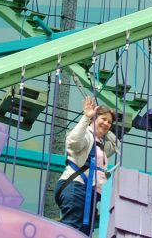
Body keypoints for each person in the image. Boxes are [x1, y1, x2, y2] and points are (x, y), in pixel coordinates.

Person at [56, 96, 118, 234]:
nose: (107, 123)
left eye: (110, 122)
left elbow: (116, 144)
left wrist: (103, 127)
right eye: (103, 119)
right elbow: (73, 142)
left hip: (89, 193)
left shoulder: (102, 144)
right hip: (76, 187)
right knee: (72, 230)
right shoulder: (86, 137)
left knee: (83, 233)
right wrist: (87, 118)